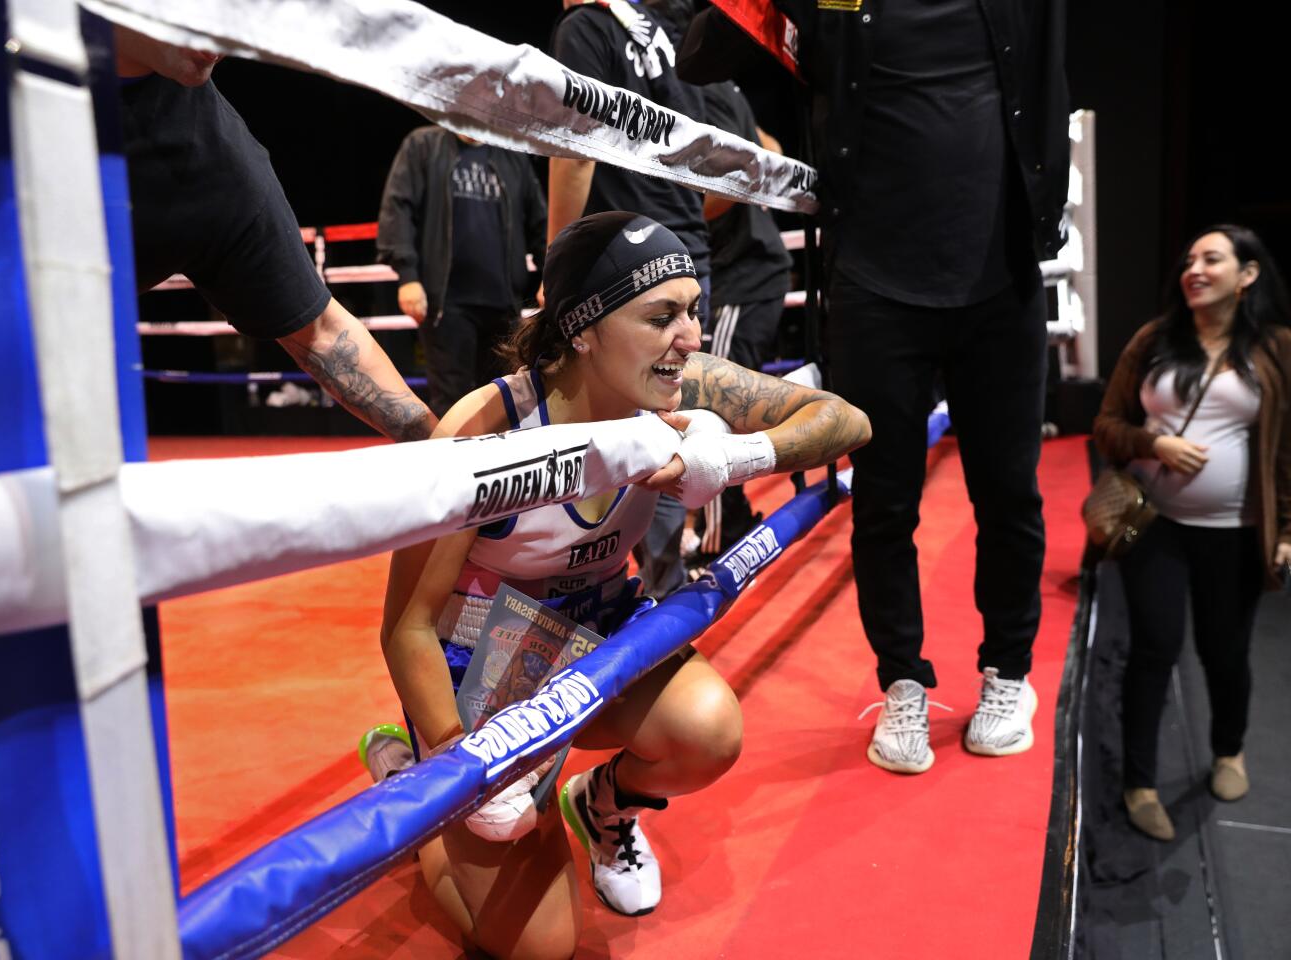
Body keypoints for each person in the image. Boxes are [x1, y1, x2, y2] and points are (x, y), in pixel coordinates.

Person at [366, 212, 869, 958]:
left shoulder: (675, 386)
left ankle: (599, 807)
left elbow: (845, 420)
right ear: (582, 330)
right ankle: (416, 787)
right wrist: (457, 761)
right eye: (662, 316)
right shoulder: (484, 431)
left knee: (709, 731)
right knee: (542, 947)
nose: (691, 338)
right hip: (484, 674)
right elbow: (406, 625)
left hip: (599, 639)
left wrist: (729, 459)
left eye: (692, 311)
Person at [681, 0, 1070, 773]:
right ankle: (902, 681)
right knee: (885, 502)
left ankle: (1009, 672)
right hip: (875, 286)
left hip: (1000, 279)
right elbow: (701, 57)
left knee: (1009, 496)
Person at [112, 25, 435, 441]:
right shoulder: (6, 48)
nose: (223, 31)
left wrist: (456, 468)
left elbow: (321, 331)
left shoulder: (218, 165)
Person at [1092, 225, 1291, 841]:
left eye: (1212, 258)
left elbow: (1288, 450)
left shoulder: (1278, 348)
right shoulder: (1154, 340)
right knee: (1152, 649)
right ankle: (1140, 783)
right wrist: (1155, 442)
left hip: (1236, 531)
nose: (1195, 268)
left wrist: (1286, 527)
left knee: (1224, 650)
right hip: (1154, 525)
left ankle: (1229, 750)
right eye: (1189, 259)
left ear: (1248, 274)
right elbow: (1106, 423)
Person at [548, 0, 714, 601]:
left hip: (623, 262)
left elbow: (575, 148)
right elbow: (705, 162)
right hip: (686, 248)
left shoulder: (585, 27)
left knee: (630, 427)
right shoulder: (664, 37)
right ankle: (666, 595)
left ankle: (634, 601)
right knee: (670, 420)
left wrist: (557, 266)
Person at [692, 79, 795, 563]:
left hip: (743, 272)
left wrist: (679, 208)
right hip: (752, 267)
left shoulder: (704, 90)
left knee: (713, 399)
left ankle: (718, 534)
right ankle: (728, 516)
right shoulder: (731, 89)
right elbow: (770, 150)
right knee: (720, 399)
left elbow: (743, 172)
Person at [376, 126, 547, 416]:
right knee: (451, 400)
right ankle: (452, 461)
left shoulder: (511, 155)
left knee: (502, 399)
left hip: (503, 303)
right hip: (446, 303)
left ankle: (499, 462)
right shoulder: (423, 145)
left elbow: (540, 222)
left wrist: (550, 274)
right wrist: (408, 277)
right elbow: (397, 209)